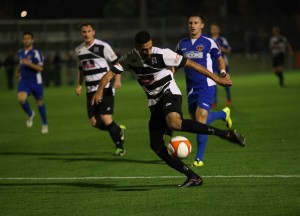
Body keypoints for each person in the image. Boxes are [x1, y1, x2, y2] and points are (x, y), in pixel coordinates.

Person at [92, 30, 246, 188]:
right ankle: (193, 177)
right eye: (144, 49)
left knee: (174, 123)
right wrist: (99, 91)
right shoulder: (129, 58)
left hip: (169, 93)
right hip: (154, 102)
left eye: (150, 47)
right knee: (156, 146)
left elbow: (192, 64)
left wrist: (218, 78)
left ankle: (226, 134)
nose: (148, 51)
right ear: (136, 48)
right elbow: (109, 73)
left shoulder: (162, 54)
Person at [174, 13, 234, 167]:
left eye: (196, 22)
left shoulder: (209, 42)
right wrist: (170, 74)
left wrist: (222, 72)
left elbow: (219, 58)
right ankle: (223, 113)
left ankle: (199, 158)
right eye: (190, 22)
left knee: (201, 118)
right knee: (197, 123)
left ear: (202, 25)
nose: (193, 25)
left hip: (207, 85)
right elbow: (175, 62)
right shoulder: (181, 44)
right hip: (191, 88)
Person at [75, 22, 126, 156]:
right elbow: (81, 68)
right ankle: (117, 130)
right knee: (94, 122)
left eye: (88, 31)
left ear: (94, 32)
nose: (86, 34)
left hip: (105, 87)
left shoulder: (102, 46)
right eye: (84, 32)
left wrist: (118, 79)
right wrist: (79, 84)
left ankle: (119, 146)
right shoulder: (79, 50)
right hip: (90, 90)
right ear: (81, 33)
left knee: (105, 117)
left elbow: (117, 63)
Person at [16, 32, 48, 134]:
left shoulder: (36, 53)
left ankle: (44, 124)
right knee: (21, 99)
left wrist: (29, 64)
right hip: (24, 81)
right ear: (22, 40)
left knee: (39, 103)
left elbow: (40, 68)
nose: (26, 40)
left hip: (36, 82)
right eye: (24, 38)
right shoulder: (20, 52)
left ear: (32, 40)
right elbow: (20, 64)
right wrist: (18, 71)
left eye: (28, 38)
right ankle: (30, 114)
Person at [210, 22, 232, 107]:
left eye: (215, 28)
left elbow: (229, 50)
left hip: (223, 63)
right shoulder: (209, 40)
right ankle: (214, 101)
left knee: (225, 82)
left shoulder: (222, 39)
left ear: (218, 30)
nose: (213, 30)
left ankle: (229, 97)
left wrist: (222, 49)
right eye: (212, 29)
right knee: (214, 82)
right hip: (213, 64)